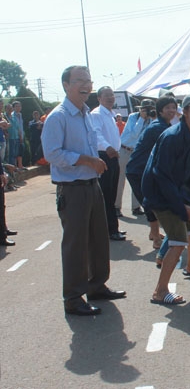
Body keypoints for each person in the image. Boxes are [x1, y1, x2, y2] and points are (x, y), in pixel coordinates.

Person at [41, 65, 126, 316]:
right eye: (79, 80)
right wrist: (88, 161)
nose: (85, 85)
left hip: (92, 184)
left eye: (88, 80)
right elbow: (52, 153)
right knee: (76, 245)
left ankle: (97, 285)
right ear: (66, 85)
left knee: (98, 239)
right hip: (73, 189)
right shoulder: (59, 117)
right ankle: (73, 297)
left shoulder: (87, 113)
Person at [142, 95, 190, 305]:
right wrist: (181, 206)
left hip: (174, 191)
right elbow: (161, 175)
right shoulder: (172, 136)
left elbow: (188, 168)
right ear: (185, 113)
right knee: (178, 241)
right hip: (161, 195)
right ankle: (160, 291)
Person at [126, 96, 178, 252]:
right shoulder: (158, 127)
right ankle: (156, 239)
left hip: (145, 169)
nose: (171, 110)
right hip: (138, 171)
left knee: (152, 202)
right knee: (151, 204)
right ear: (160, 110)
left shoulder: (164, 125)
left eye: (173, 107)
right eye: (168, 107)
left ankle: (153, 232)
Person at [91, 86, 125, 241]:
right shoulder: (97, 114)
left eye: (112, 95)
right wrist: (108, 147)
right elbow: (96, 135)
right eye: (106, 95)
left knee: (111, 195)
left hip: (113, 157)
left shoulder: (110, 115)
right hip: (105, 156)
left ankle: (112, 227)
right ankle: (110, 230)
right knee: (106, 195)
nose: (110, 98)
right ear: (99, 98)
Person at [117, 99, 155, 217]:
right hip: (125, 149)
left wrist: (152, 118)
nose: (147, 111)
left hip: (137, 153)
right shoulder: (133, 117)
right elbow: (134, 134)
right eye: (145, 109)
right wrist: (141, 118)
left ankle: (136, 207)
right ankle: (116, 206)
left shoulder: (151, 120)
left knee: (137, 179)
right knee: (120, 180)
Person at [9, 101, 24, 170]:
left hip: (21, 136)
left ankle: (20, 165)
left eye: (19, 106)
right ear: (13, 107)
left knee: (20, 151)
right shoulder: (12, 115)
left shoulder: (20, 115)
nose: (18, 108)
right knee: (14, 152)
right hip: (15, 136)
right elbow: (15, 127)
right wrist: (20, 135)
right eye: (16, 106)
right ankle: (14, 166)